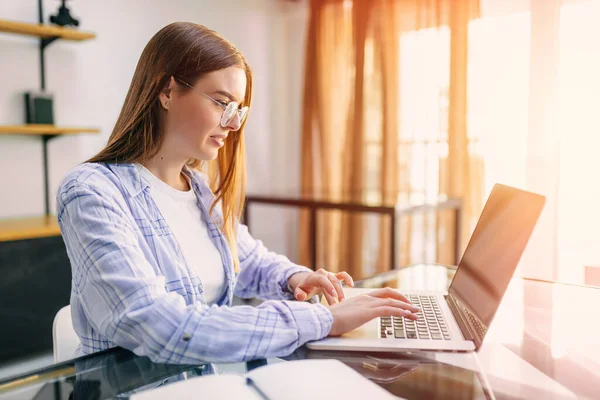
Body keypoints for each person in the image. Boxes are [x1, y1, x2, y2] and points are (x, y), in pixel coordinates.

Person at [57, 21, 419, 364]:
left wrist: (295, 278)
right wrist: (321, 319)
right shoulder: (91, 193)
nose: (232, 124)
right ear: (167, 91)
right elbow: (158, 325)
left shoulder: (197, 187)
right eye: (221, 102)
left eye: (239, 111)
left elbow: (247, 259)